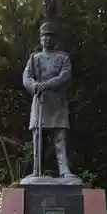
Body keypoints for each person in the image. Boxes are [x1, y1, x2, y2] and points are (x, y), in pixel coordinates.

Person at [23, 22, 75, 179]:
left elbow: (65, 76)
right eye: (44, 36)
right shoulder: (34, 58)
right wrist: (35, 86)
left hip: (57, 103)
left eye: (50, 36)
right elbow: (26, 77)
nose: (47, 39)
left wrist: (48, 84)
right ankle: (37, 170)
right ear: (40, 39)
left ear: (55, 39)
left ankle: (64, 170)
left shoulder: (63, 58)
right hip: (40, 102)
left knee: (60, 137)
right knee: (38, 138)